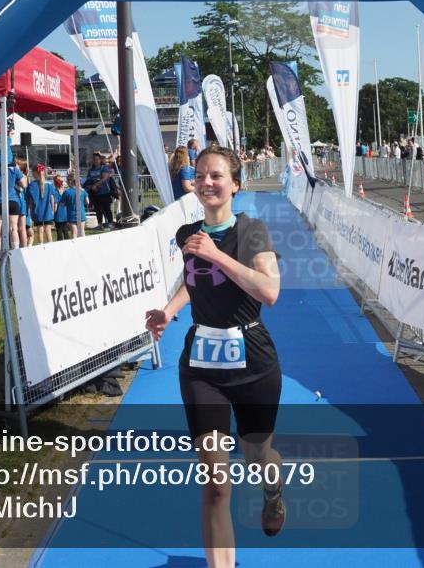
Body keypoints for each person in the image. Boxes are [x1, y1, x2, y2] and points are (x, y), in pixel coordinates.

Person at [144, 146, 286, 565]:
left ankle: (273, 488)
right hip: (202, 366)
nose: (207, 182)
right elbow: (197, 281)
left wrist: (217, 254)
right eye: (200, 175)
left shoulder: (253, 231)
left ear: (235, 185)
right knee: (216, 482)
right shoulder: (186, 234)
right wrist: (168, 312)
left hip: (254, 361)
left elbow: (269, 291)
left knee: (258, 455)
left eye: (217, 175)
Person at [0, 158, 25, 259]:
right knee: (13, 228)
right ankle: (16, 253)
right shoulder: (14, 170)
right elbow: (24, 184)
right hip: (12, 200)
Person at [26, 165, 57, 244]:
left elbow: (30, 201)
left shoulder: (32, 185)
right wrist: (53, 210)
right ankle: (51, 248)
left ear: (35, 173)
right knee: (48, 231)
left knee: (40, 231)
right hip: (48, 211)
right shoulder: (49, 185)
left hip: (37, 211)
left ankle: (41, 248)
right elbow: (52, 199)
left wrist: (30, 212)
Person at [85, 152, 115, 229]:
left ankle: (110, 223)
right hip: (95, 193)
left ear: (100, 160)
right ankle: (100, 223)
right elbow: (88, 180)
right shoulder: (91, 170)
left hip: (105, 192)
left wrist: (96, 185)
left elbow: (105, 178)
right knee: (98, 209)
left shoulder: (104, 167)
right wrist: (91, 186)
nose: (95, 161)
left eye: (97, 159)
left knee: (107, 208)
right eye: (94, 159)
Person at [61, 172, 86, 239]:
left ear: (69, 181)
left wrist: (68, 203)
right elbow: (87, 202)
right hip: (81, 213)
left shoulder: (66, 192)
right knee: (82, 232)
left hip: (71, 215)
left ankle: (75, 248)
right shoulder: (82, 191)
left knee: (74, 233)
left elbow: (62, 204)